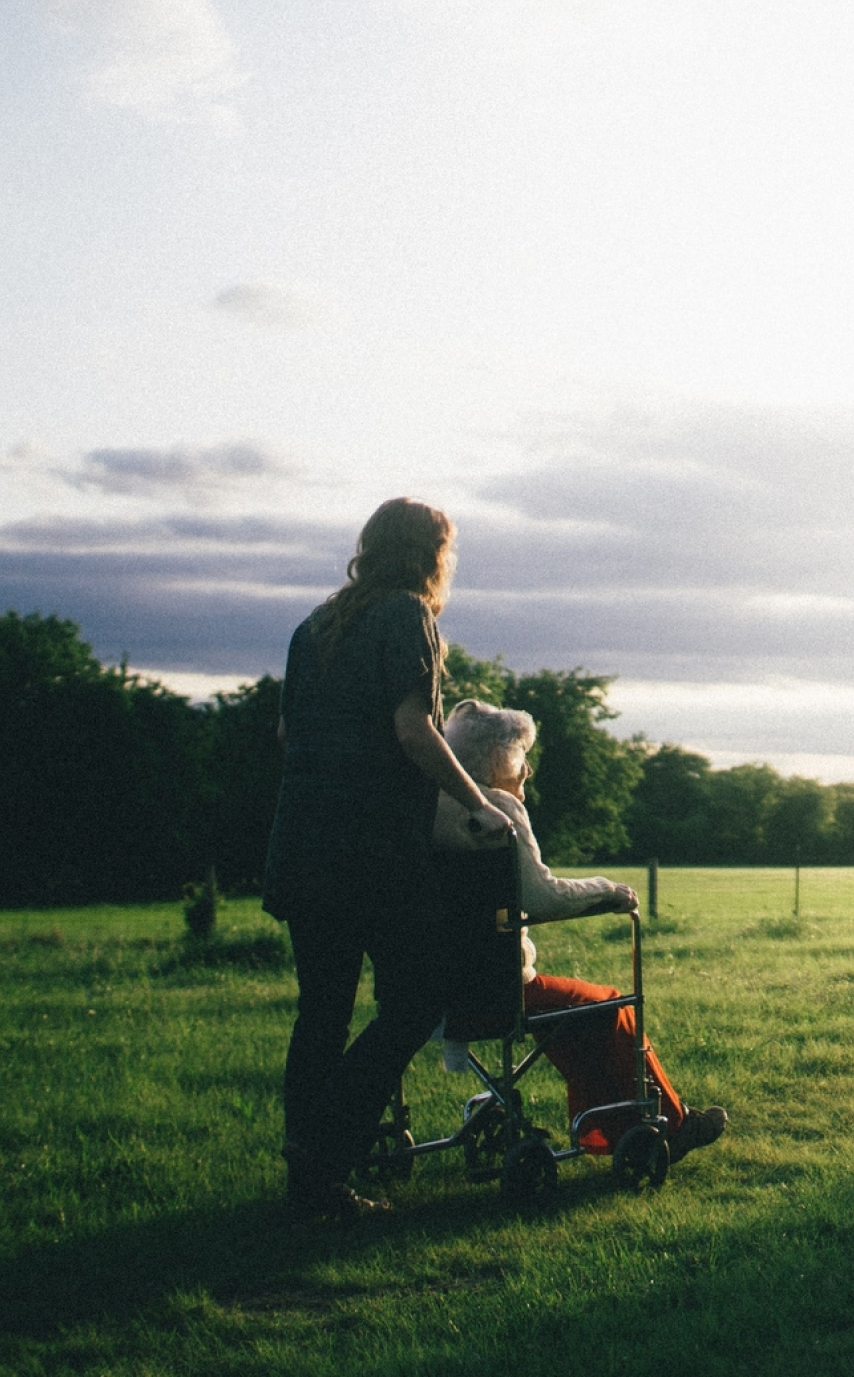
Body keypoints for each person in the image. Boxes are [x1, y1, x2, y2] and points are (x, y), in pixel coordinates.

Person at [263, 500, 510, 1221]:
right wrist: (476, 803)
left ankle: (309, 1182)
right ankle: (325, 1147)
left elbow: (288, 731)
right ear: (431, 554)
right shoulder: (407, 615)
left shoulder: (313, 626)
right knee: (415, 1000)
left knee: (323, 1010)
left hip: (301, 841)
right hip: (368, 850)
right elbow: (414, 729)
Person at [433, 699, 727, 1161]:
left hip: (435, 991)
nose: (527, 769)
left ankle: (608, 1131)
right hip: (496, 990)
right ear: (495, 759)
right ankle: (671, 1123)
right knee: (609, 1005)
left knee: (575, 1012)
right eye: (520, 755)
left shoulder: (432, 806)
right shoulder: (497, 809)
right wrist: (606, 890)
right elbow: (542, 898)